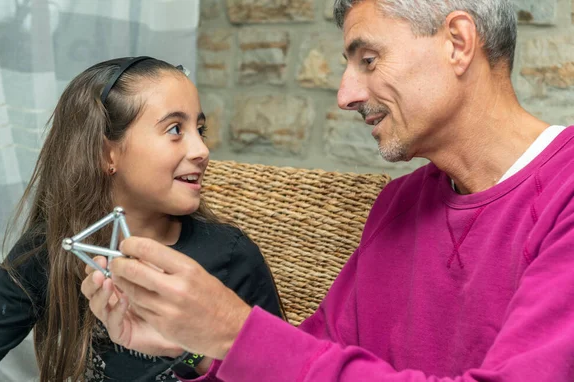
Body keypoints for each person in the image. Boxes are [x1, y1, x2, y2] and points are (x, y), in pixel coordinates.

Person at [82, 1, 574, 381]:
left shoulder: (564, 193)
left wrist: (235, 332)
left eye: (368, 58)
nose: (345, 95)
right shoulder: (397, 205)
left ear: (458, 42)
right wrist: (190, 346)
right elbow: (303, 363)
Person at [0, 57, 284, 382]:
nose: (202, 150)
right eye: (175, 129)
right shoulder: (51, 246)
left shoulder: (233, 256)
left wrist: (190, 350)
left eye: (200, 129)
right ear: (107, 154)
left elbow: (279, 370)